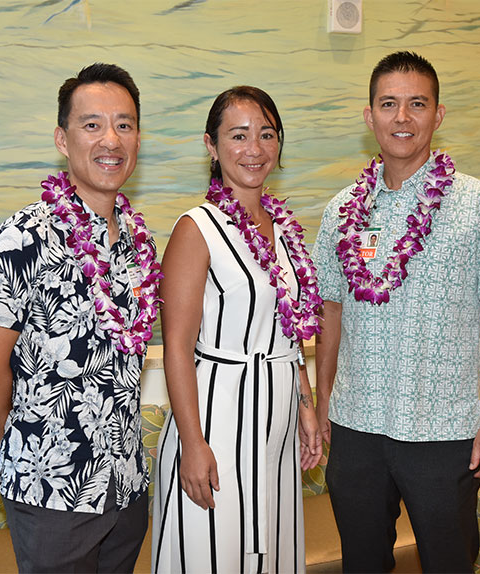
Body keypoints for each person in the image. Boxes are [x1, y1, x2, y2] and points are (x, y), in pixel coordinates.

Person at [313, 51, 480, 573]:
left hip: (443, 432)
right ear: (369, 116)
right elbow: (330, 313)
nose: (402, 117)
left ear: (438, 115)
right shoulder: (342, 210)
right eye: (389, 104)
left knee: (449, 563)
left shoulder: (479, 205)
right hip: (357, 428)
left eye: (417, 104)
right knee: (363, 564)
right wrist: (322, 403)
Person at [0, 62, 162, 573]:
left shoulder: (143, 245)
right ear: (62, 138)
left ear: (138, 138)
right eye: (91, 124)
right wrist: (34, 444)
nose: (110, 140)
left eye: (124, 124)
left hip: (126, 487)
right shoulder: (24, 236)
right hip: (53, 495)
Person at [152, 86, 323, 574]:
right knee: (212, 555)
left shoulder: (284, 228)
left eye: (267, 135)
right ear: (211, 145)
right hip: (216, 420)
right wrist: (192, 442)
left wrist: (306, 407)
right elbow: (177, 348)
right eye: (239, 135)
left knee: (272, 551)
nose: (255, 149)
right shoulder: (196, 228)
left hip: (278, 421)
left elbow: (288, 332)